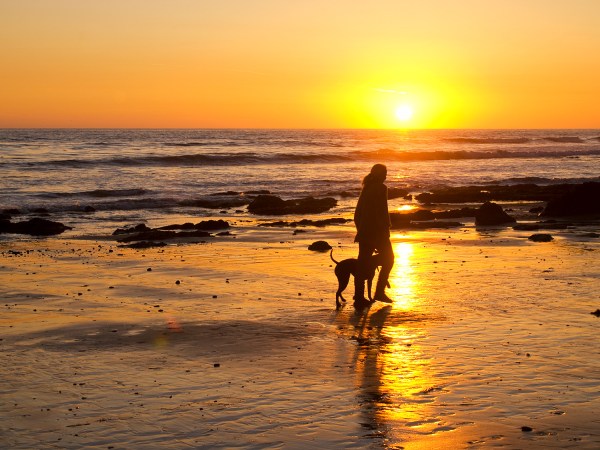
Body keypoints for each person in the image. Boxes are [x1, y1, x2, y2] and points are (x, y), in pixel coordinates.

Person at [353, 163, 395, 307]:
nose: (386, 176)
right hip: (378, 232)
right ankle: (379, 292)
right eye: (384, 173)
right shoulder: (381, 188)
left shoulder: (366, 188)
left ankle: (358, 298)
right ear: (379, 174)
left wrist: (360, 229)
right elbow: (381, 213)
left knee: (361, 265)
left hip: (364, 232)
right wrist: (385, 231)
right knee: (389, 259)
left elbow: (357, 214)